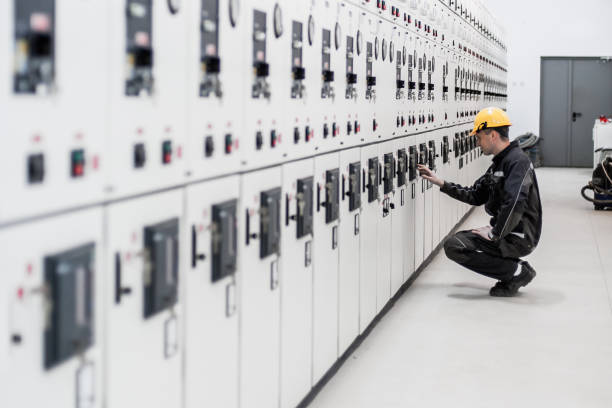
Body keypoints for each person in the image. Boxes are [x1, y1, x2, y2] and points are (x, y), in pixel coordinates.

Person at [418, 107, 543, 297]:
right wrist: (441, 183)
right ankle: (513, 270)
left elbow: (514, 203)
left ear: (492, 135)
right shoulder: (498, 164)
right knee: (455, 244)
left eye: (478, 137)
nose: (477, 143)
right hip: (505, 231)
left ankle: (517, 272)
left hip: (519, 236)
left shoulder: (518, 161)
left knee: (455, 246)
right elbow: (475, 195)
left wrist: (495, 233)